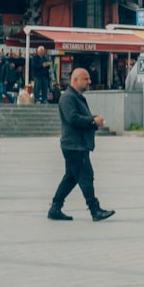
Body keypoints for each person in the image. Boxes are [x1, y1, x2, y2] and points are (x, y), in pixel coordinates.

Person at [48, 68, 113, 222]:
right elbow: (73, 118)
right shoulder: (68, 98)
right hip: (74, 145)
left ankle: (55, 208)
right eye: (86, 79)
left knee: (71, 178)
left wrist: (93, 119)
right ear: (76, 80)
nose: (89, 82)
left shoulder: (76, 97)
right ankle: (94, 210)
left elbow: (78, 117)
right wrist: (92, 121)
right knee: (86, 177)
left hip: (76, 144)